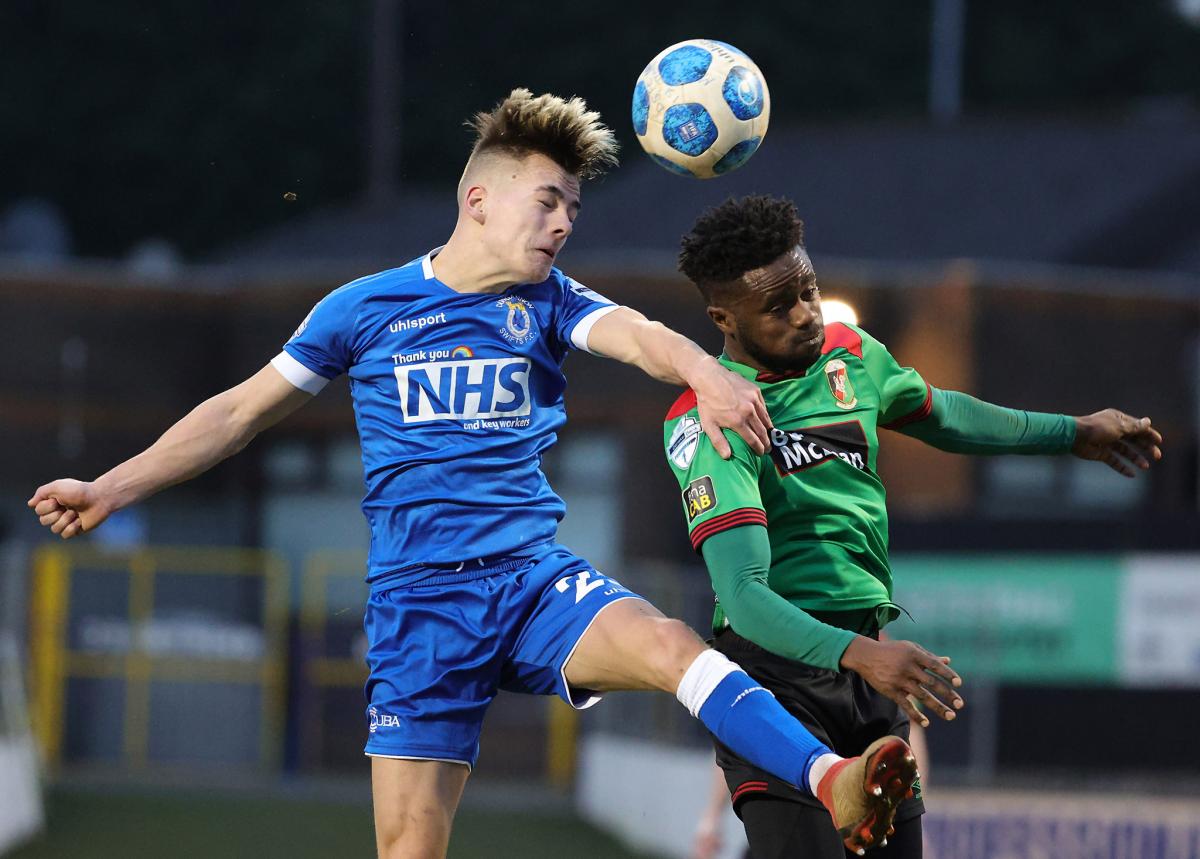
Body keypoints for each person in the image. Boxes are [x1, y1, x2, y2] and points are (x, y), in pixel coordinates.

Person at [29, 93, 911, 859]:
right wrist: (111, 487)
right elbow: (235, 414)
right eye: (548, 201)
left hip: (531, 579)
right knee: (411, 846)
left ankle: (831, 778)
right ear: (478, 200)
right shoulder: (362, 308)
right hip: (418, 606)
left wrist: (706, 372)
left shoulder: (553, 301)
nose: (563, 223)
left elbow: (640, 335)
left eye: (573, 208)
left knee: (672, 643)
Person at [664, 195, 1163, 858]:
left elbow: (945, 415)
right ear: (723, 318)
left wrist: (1072, 433)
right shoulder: (708, 421)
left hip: (865, 669)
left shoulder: (851, 354)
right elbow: (746, 596)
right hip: (775, 683)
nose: (806, 313)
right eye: (778, 307)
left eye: (808, 291)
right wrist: (863, 654)